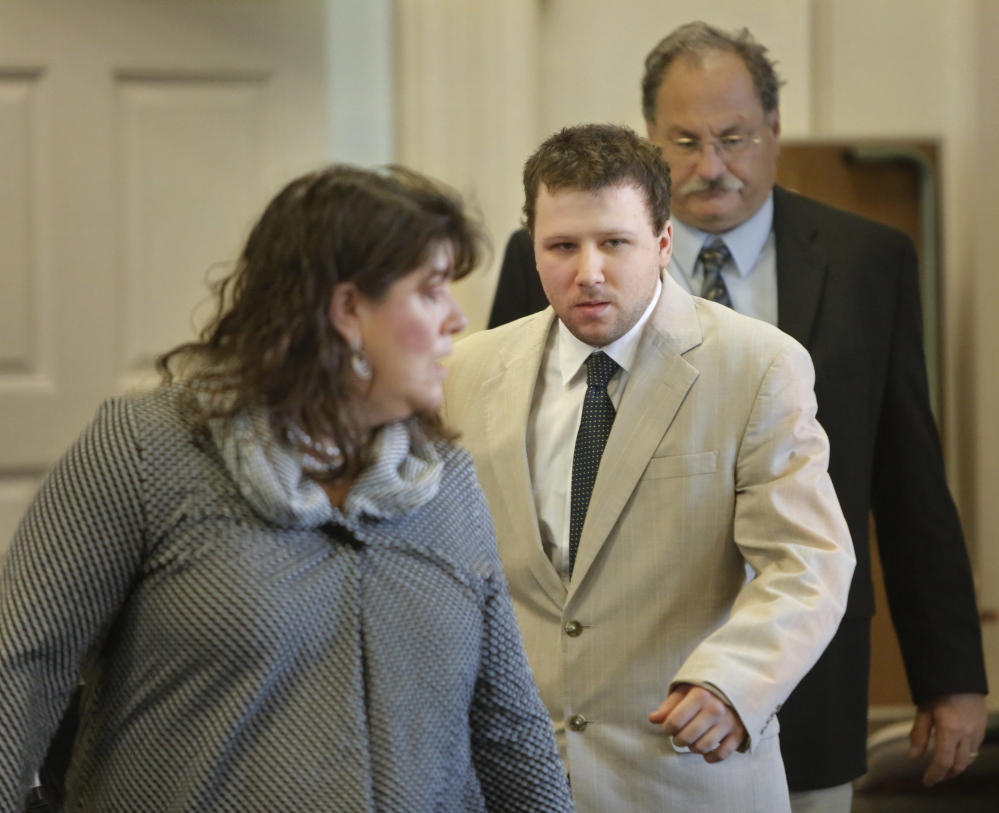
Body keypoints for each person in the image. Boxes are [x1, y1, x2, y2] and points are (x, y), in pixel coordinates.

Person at [487, 22, 989, 812]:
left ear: (773, 131)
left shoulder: (867, 259)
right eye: (683, 141)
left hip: (812, 665)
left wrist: (950, 673)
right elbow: (507, 454)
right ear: (648, 141)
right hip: (603, 692)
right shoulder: (551, 261)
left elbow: (907, 474)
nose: (710, 166)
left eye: (733, 138)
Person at [0, 164, 575, 813]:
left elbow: (507, 729)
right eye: (430, 290)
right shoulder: (144, 450)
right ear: (348, 309)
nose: (456, 318)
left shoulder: (446, 482)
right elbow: (19, 666)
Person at [443, 122, 856, 813]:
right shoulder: (466, 369)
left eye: (614, 242)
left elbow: (807, 562)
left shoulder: (755, 365)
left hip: (687, 773)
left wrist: (733, 683)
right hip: (510, 781)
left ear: (662, 243)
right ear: (532, 251)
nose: (589, 271)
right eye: (562, 246)